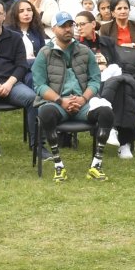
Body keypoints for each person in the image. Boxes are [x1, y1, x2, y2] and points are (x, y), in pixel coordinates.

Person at [32, 11, 112, 182]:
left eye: (70, 25)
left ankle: (96, 164)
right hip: (56, 102)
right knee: (45, 114)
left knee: (106, 112)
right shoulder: (44, 53)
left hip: (83, 102)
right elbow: (39, 85)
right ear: (53, 29)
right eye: (63, 26)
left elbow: (95, 79)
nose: (68, 29)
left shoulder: (85, 51)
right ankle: (58, 165)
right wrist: (61, 100)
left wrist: (83, 99)